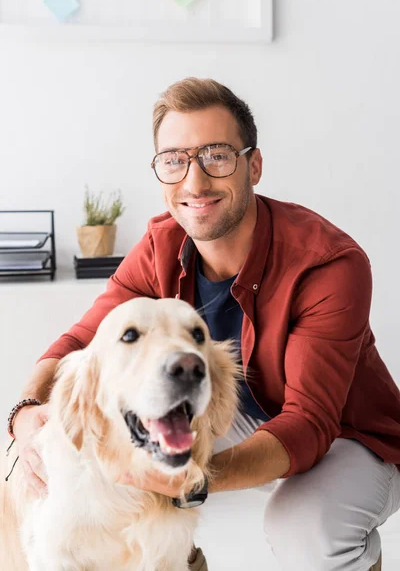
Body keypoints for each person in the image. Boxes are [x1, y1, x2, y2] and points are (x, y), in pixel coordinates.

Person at [9, 78, 400, 571]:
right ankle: (174, 556)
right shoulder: (162, 244)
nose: (194, 183)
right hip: (237, 412)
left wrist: (191, 479)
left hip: (349, 436)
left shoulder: (327, 263)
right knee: (98, 431)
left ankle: (358, 557)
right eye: (174, 160)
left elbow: (309, 422)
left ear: (253, 166)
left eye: (216, 155)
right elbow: (83, 342)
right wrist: (25, 413)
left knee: (305, 529)